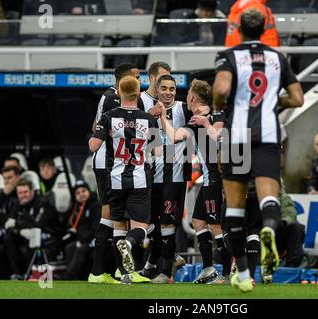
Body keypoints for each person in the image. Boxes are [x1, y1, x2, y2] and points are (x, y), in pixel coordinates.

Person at [213, 9, 303, 292]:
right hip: (267, 135)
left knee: (236, 207)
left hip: (238, 134)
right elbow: (298, 98)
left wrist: (220, 107)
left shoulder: (229, 55)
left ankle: (240, 271)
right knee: (268, 199)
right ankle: (268, 230)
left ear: (239, 29)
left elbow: (222, 88)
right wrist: (274, 104)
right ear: (264, 29)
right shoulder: (278, 58)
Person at [89, 75, 161, 284]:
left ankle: (125, 274)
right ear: (139, 94)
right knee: (141, 226)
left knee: (118, 225)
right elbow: (157, 151)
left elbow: (93, 146)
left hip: (115, 179)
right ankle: (130, 244)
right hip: (139, 178)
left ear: (119, 93)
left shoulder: (109, 116)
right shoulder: (149, 119)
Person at [159, 79, 231, 284]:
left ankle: (227, 272)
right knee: (198, 221)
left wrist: (163, 115)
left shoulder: (197, 118)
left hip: (213, 180)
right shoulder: (212, 113)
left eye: (188, 92)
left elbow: (173, 136)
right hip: (211, 178)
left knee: (216, 227)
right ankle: (208, 268)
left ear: (192, 97)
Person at [89, 62, 140, 284]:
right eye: (136, 77)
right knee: (110, 216)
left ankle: (116, 271)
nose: (139, 81)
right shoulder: (113, 98)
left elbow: (94, 125)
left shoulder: (108, 96)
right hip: (107, 162)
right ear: (123, 80)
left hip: (113, 162)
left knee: (117, 216)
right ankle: (99, 272)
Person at [143, 74, 193, 284]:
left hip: (175, 174)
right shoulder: (149, 111)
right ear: (157, 88)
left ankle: (165, 273)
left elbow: (200, 119)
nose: (168, 92)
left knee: (166, 221)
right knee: (150, 223)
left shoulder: (183, 108)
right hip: (150, 175)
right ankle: (168, 259)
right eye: (164, 88)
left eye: (172, 89)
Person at [3, 179, 63, 280]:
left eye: (25, 192)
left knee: (33, 236)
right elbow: (8, 224)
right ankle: (17, 274)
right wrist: (19, 230)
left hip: (50, 234)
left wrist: (17, 225)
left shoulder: (42, 203)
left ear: (32, 192)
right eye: (20, 193)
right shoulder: (18, 203)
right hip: (28, 233)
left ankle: (34, 274)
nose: (23, 195)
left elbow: (37, 224)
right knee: (8, 237)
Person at [61, 180, 100, 280]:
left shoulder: (95, 206)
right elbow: (70, 224)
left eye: (83, 191)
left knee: (81, 249)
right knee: (69, 247)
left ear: (89, 191)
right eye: (78, 193)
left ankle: (68, 275)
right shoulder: (76, 208)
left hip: (94, 240)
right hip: (81, 239)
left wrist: (82, 240)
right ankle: (75, 277)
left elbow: (95, 228)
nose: (81, 194)